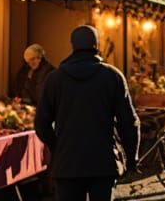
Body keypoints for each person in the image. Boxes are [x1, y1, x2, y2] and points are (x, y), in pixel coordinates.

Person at [35, 25, 138, 201]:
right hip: (102, 162)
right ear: (97, 45)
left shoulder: (54, 79)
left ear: (72, 46)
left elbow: (41, 124)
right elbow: (128, 122)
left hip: (67, 165)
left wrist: (58, 146)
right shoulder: (112, 76)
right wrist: (131, 157)